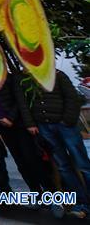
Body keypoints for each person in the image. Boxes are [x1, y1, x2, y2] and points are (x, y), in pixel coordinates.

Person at [20, 69, 90, 215]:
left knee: (82, 163)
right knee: (63, 166)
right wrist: (32, 123)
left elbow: (72, 97)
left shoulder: (58, 75)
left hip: (64, 125)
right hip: (45, 126)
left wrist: (67, 121)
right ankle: (82, 202)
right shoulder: (25, 81)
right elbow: (25, 104)